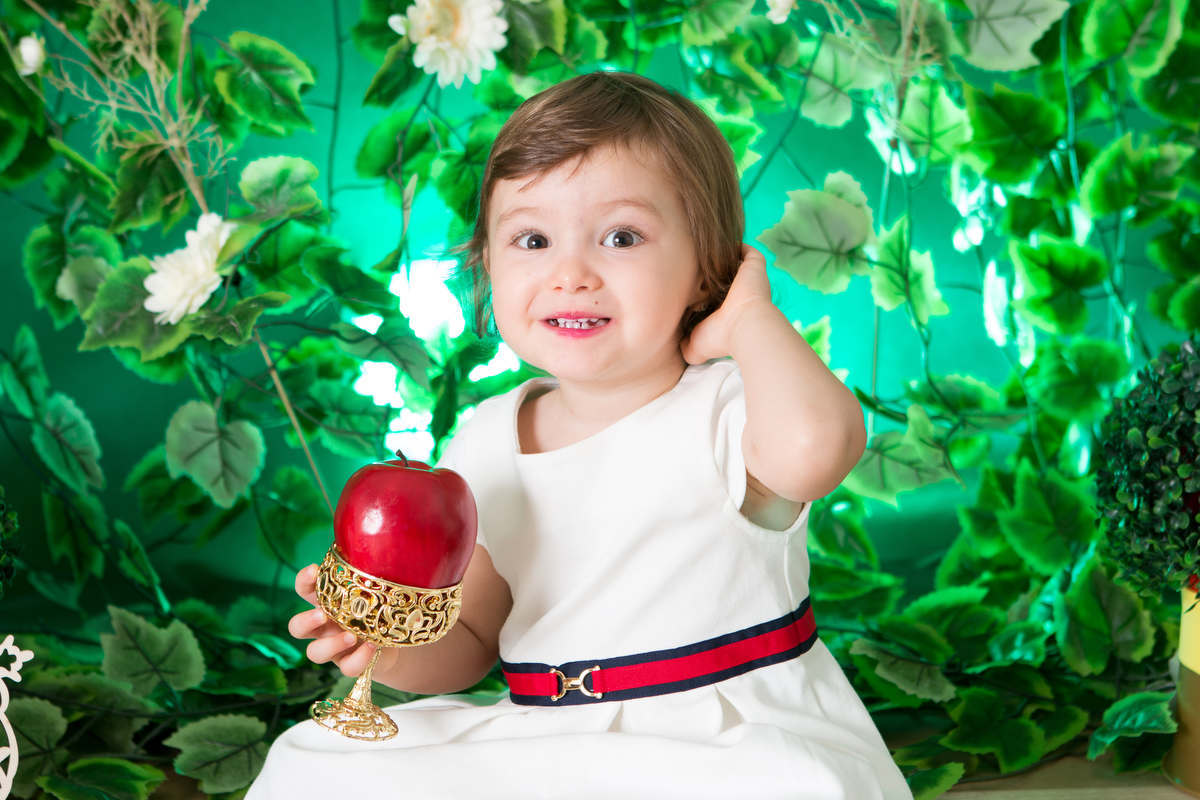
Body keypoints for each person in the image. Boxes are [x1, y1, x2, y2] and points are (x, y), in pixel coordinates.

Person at [247, 71, 913, 799]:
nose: (570, 274)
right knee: (311, 757)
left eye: (621, 237)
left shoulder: (728, 406)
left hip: (718, 736)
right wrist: (387, 650)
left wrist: (751, 320)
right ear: (486, 265)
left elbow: (820, 449)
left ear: (704, 271)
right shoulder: (487, 439)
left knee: (783, 786)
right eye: (531, 239)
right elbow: (472, 643)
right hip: (551, 737)